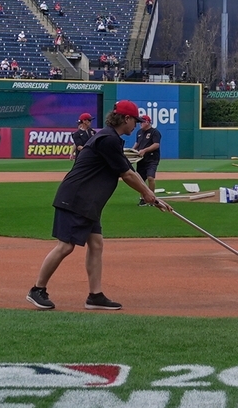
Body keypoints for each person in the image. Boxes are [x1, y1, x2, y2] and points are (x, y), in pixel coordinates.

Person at [27, 100, 168, 311]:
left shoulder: (111, 139)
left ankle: (95, 295)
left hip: (88, 201)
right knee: (65, 245)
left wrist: (153, 197)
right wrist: (147, 194)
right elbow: (127, 174)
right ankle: (37, 290)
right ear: (126, 119)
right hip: (75, 198)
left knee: (96, 244)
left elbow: (131, 171)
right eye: (134, 121)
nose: (136, 126)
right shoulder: (107, 139)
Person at [134, 114, 162, 203]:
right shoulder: (139, 132)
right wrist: (131, 151)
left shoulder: (154, 132)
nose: (140, 124)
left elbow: (156, 144)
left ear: (147, 122)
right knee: (140, 179)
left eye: (142, 122)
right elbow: (137, 144)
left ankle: (152, 198)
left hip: (152, 158)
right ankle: (142, 198)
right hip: (141, 159)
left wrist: (145, 150)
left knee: (150, 177)